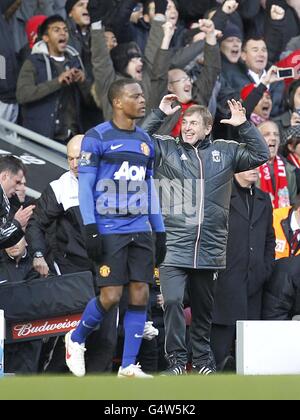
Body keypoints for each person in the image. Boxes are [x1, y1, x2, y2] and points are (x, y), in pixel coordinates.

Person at [142, 97, 270, 375]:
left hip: (209, 247)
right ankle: (176, 362)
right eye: (184, 122)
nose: (187, 127)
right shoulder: (166, 148)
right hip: (173, 245)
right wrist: (159, 114)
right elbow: (137, 141)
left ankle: (202, 362)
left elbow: (261, 155)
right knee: (173, 301)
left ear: (208, 127)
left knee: (202, 312)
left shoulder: (225, 151)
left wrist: (244, 125)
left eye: (194, 123)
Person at [65, 79, 167, 378]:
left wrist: (158, 230)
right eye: (135, 95)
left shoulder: (146, 141)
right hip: (109, 228)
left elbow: (148, 187)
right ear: (118, 102)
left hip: (140, 228)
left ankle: (128, 366)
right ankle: (76, 338)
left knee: (139, 294)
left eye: (142, 94)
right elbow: (85, 187)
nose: (142, 99)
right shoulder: (97, 137)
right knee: (110, 296)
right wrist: (91, 228)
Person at [26, 135, 118, 374]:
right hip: (72, 274)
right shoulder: (60, 187)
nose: (75, 163)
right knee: (69, 339)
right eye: (70, 158)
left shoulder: (112, 182)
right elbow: (36, 223)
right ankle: (50, 388)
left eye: (80, 157)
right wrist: (37, 254)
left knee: (106, 340)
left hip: (107, 272)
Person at [211, 168, 275, 371]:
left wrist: (265, 268)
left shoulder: (264, 199)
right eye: (249, 165)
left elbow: (269, 239)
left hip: (255, 285)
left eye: (257, 165)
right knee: (219, 355)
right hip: (224, 285)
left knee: (251, 360)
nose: (255, 170)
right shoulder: (220, 196)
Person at [16, 15, 90, 142]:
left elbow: (90, 101)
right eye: (56, 30)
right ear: (46, 37)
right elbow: (23, 95)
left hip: (70, 137)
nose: (63, 33)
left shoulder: (75, 61)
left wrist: (83, 82)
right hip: (40, 136)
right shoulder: (34, 61)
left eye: (65, 30)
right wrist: (57, 82)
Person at [0, 156, 34, 249]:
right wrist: (16, 223)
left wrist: (19, 229)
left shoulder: (4, 198)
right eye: (17, 182)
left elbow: (2, 242)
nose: (17, 188)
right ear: (4, 177)